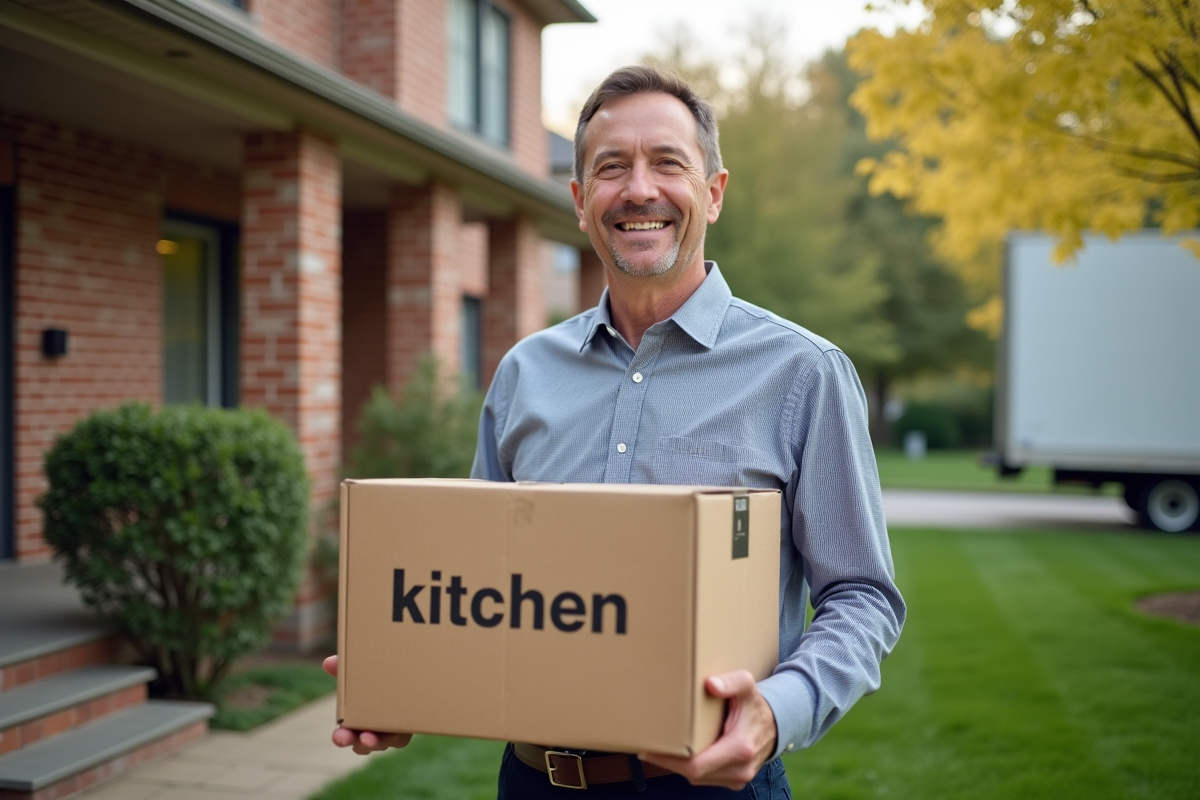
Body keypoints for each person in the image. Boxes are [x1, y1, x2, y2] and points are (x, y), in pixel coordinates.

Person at [324, 65, 905, 797]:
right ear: (578, 202)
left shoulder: (801, 373)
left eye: (668, 163)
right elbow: (482, 591)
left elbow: (864, 597)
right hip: (534, 782)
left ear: (713, 193)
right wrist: (410, 681)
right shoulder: (525, 373)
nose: (639, 190)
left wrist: (775, 713)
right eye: (611, 168)